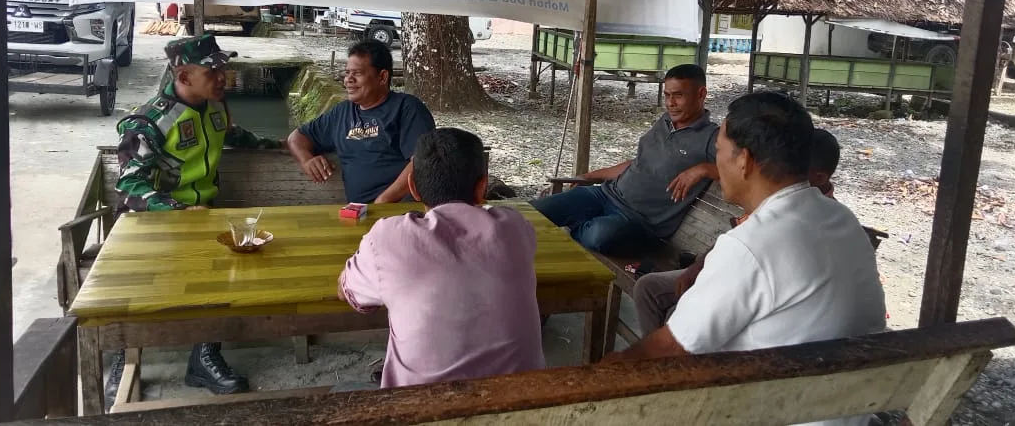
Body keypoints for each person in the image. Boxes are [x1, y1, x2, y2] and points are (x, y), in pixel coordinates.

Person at [606, 92, 886, 426]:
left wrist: (597, 375)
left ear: (745, 160)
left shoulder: (752, 244)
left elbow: (669, 349)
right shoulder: (841, 219)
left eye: (719, 150)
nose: (717, 161)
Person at [107, 34, 282, 408]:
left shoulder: (214, 109)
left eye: (223, 68)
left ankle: (204, 357)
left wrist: (279, 146)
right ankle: (124, 357)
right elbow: (130, 186)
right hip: (152, 226)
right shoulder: (148, 123)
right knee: (135, 286)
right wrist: (177, 211)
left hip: (201, 219)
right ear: (184, 76)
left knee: (225, 269)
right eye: (212, 71)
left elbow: (234, 135)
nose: (223, 77)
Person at [338, 128, 545, 387]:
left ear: (413, 187)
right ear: (482, 186)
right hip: (523, 401)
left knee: (345, 389)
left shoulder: (387, 237)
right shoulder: (515, 227)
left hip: (423, 405)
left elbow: (347, 293)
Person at [633, 126, 844, 335]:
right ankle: (656, 355)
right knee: (647, 288)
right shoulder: (781, 197)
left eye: (796, 170)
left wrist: (708, 286)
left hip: (755, 295)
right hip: (724, 272)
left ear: (820, 178)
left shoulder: (825, 223)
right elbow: (736, 236)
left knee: (679, 314)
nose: (784, 174)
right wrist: (696, 268)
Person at [530, 64, 718, 256]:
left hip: (637, 221)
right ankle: (577, 225)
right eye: (667, 95)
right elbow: (637, 163)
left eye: (678, 95)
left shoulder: (711, 138)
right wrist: (589, 176)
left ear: (701, 94)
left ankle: (573, 227)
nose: (670, 103)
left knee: (601, 236)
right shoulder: (665, 121)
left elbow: (736, 170)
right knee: (534, 211)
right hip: (605, 195)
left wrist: (704, 169)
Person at [286, 40, 435, 203]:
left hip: (402, 209)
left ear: (382, 77)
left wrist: (383, 201)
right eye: (347, 73)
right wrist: (307, 160)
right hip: (360, 211)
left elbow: (423, 161)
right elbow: (296, 137)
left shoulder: (407, 108)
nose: (348, 80)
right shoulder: (341, 112)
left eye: (357, 73)